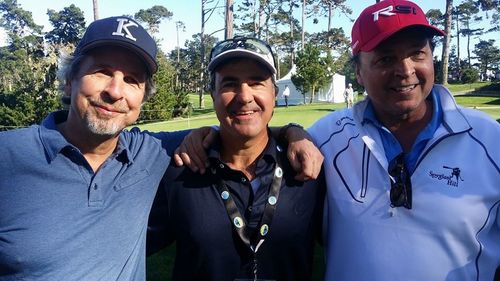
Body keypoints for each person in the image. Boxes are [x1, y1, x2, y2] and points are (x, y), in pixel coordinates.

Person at [0, 16, 323, 280]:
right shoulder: (8, 155)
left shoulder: (152, 152)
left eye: (131, 79)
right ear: (70, 81)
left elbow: (238, 128)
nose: (115, 91)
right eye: (101, 72)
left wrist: (294, 133)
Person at [305, 1, 500, 280]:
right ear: (358, 72)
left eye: (417, 54)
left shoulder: (490, 139)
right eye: (386, 58)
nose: (406, 70)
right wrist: (290, 132)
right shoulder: (325, 138)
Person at [147, 36, 325, 281]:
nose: (244, 96)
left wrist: (292, 130)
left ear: (274, 93)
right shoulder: (180, 169)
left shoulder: (308, 169)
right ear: (213, 94)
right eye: (230, 84)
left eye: (256, 82)